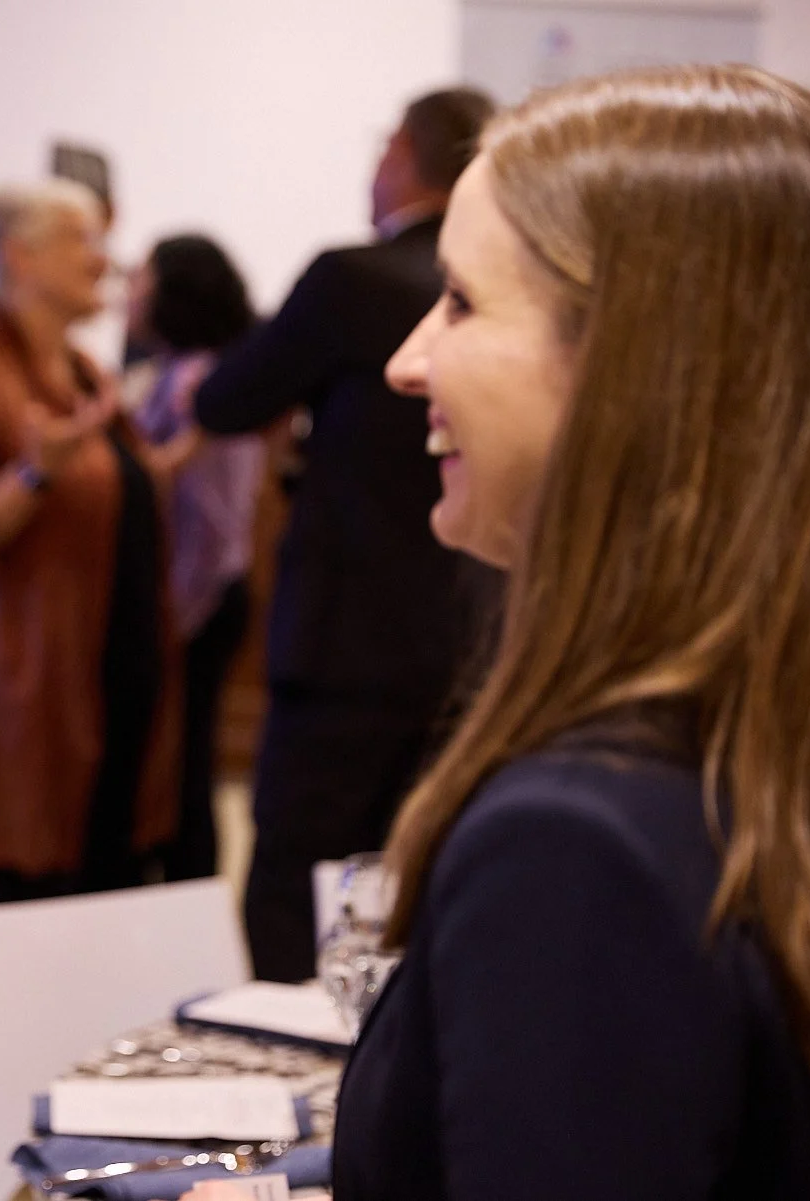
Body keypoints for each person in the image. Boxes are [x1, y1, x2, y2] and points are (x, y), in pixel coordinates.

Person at [332, 65, 810, 1198]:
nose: (409, 361)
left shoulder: (577, 845)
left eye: (459, 302)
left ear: (626, 365)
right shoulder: (762, 744)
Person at [189, 86, 499, 981]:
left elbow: (227, 398)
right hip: (470, 640)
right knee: (422, 882)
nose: (417, 365)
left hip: (348, 644)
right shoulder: (496, 292)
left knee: (295, 883)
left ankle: (299, 1096)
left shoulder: (356, 280)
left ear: (403, 154)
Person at [0, 180, 180, 906]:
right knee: (24, 918)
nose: (103, 259)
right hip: (14, 708)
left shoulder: (85, 373)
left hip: (103, 681)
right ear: (18, 256)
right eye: (81, 238)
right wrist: (31, 473)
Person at [122, 234, 265, 881]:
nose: (129, 292)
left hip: (196, 594)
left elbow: (194, 508)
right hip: (212, 589)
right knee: (185, 760)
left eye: (141, 280)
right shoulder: (209, 369)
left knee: (181, 766)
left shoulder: (194, 380)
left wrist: (175, 613)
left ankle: (188, 899)